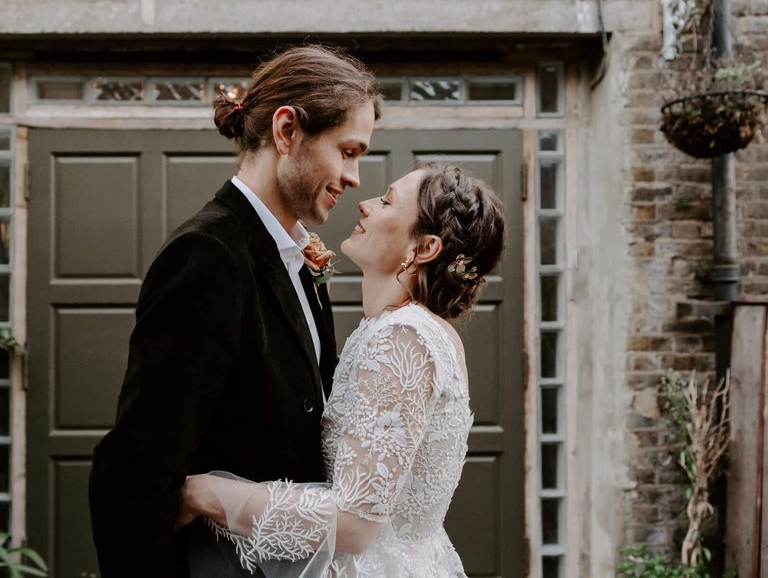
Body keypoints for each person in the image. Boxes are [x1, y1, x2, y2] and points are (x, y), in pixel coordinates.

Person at [89, 44, 381, 578]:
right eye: (347, 151)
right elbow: (138, 464)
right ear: (287, 131)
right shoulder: (208, 255)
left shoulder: (297, 254)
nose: (356, 176)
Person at [179, 163, 507, 577]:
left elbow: (354, 525)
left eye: (387, 202)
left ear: (425, 249)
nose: (366, 205)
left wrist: (205, 493)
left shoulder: (403, 337)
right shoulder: (417, 330)